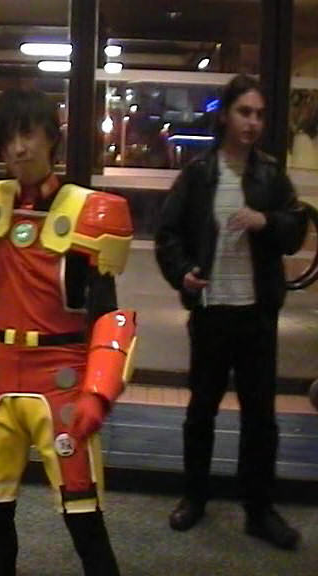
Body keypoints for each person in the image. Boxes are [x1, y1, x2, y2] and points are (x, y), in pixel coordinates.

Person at [0, 88, 137, 576]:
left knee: (82, 510)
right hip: (0, 377)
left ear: (50, 137)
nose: (18, 148)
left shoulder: (88, 211)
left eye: (27, 134)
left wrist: (97, 394)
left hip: (61, 376)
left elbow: (109, 316)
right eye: (7, 138)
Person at [155, 73, 307, 550]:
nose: (252, 122)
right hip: (212, 312)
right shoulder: (199, 174)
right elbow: (168, 235)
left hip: (256, 314)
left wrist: (266, 221)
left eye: (259, 114)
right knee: (201, 410)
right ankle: (194, 498)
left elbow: (295, 231)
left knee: (261, 417)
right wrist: (183, 273)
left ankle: (259, 511)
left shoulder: (271, 175)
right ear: (225, 116)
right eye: (244, 112)